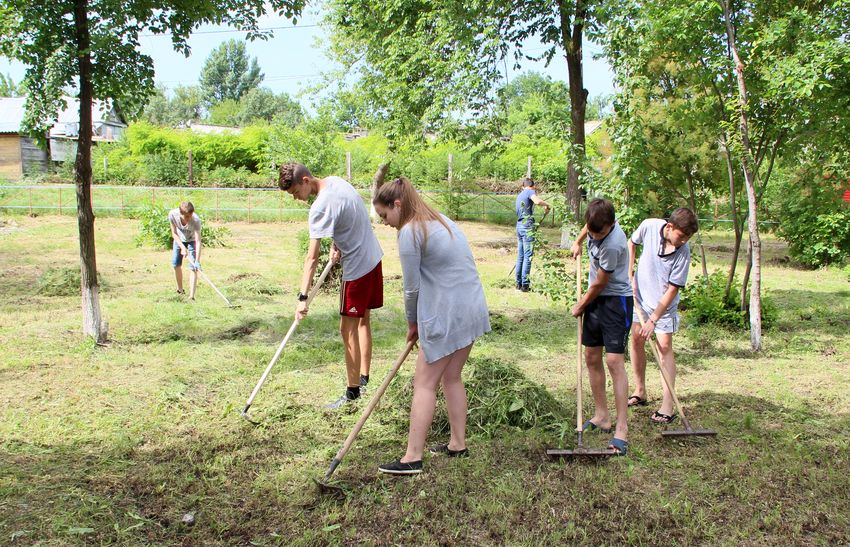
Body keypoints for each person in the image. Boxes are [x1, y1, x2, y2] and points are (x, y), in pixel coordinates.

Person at [372, 177, 491, 475]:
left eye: (385, 216)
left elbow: (411, 289)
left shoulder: (411, 232)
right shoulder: (441, 220)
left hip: (448, 314)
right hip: (472, 307)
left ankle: (412, 457)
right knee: (451, 376)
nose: (386, 223)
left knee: (424, 382)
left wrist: (412, 323)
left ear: (397, 204)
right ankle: (457, 443)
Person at [279, 163, 384, 409]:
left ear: (306, 180)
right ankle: (364, 377)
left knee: (345, 328)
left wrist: (302, 296)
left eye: (295, 192)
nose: (296, 199)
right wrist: (337, 243)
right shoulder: (337, 181)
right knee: (362, 320)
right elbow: (348, 216)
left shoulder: (318, 207)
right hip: (374, 257)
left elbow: (311, 259)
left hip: (357, 268)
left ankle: (352, 392)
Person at [570, 198, 632, 456]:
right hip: (595, 301)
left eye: (600, 233)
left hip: (615, 301)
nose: (595, 235)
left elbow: (600, 283)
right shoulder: (595, 223)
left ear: (612, 224)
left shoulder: (614, 244)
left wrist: (580, 305)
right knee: (591, 356)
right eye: (592, 231)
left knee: (614, 362)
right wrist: (578, 241)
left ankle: (622, 429)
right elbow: (587, 228)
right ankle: (602, 416)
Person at [627, 208, 698, 424]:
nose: (684, 241)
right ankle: (640, 390)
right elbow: (632, 242)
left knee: (664, 346)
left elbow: (672, 290)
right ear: (669, 227)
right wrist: (629, 272)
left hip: (663, 307)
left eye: (688, 237)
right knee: (637, 339)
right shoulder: (649, 226)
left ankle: (668, 404)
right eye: (682, 235)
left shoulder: (683, 252)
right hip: (640, 298)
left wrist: (653, 320)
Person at [514, 177, 551, 292]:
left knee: (520, 256)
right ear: (533, 186)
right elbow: (537, 201)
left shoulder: (520, 194)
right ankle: (525, 285)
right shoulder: (530, 191)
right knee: (528, 256)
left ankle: (518, 283)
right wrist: (547, 204)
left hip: (519, 225)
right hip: (527, 226)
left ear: (523, 186)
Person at [169, 201, 201, 300]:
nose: (189, 219)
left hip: (192, 241)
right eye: (186, 217)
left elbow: (198, 240)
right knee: (175, 264)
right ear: (180, 213)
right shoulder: (172, 215)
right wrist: (182, 247)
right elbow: (174, 233)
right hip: (179, 239)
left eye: (190, 216)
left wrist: (197, 261)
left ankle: (191, 296)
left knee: (193, 268)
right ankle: (180, 289)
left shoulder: (195, 220)